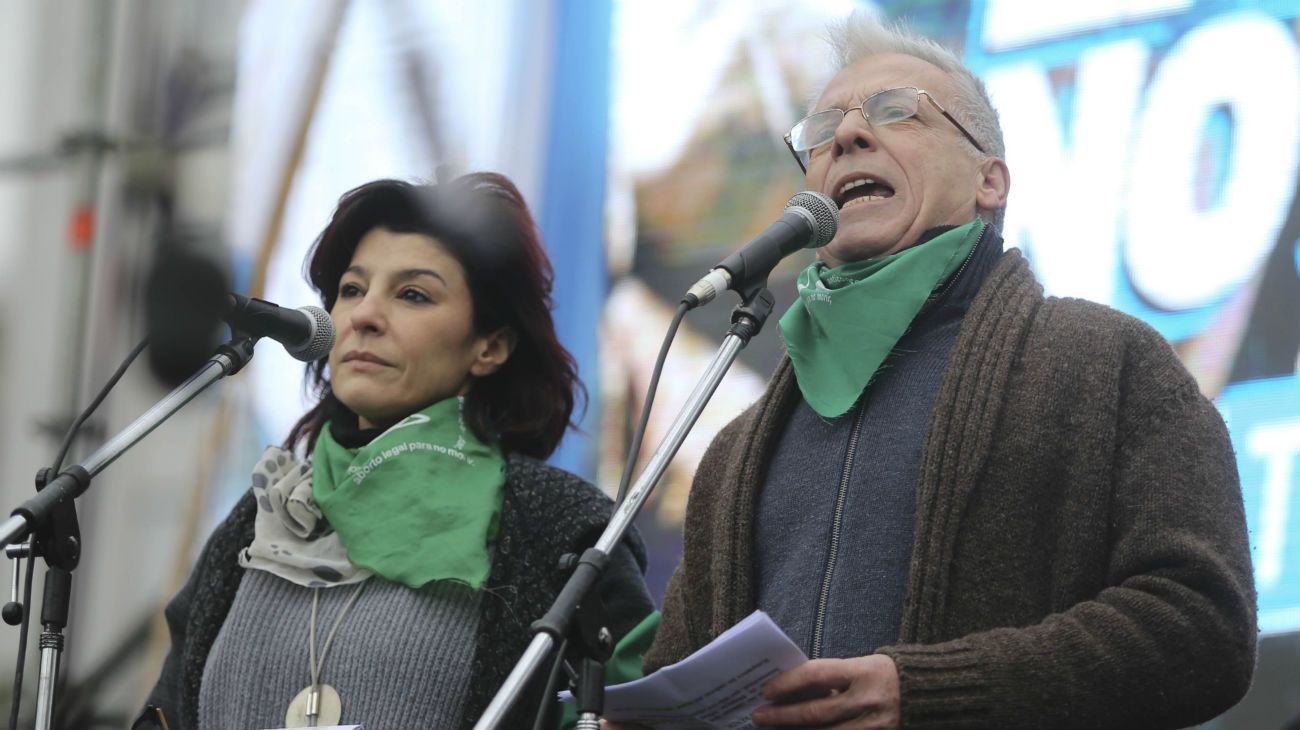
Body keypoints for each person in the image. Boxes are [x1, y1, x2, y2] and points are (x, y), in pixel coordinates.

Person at [627, 12, 1256, 730]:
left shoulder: (1108, 362)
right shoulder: (737, 450)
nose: (849, 136)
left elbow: (1205, 626)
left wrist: (932, 694)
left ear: (990, 181)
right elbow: (681, 687)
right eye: (822, 129)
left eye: (898, 112)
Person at [146, 173, 655, 730]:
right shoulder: (258, 518)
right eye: (351, 290)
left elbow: (650, 704)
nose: (364, 316)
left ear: (490, 346)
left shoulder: (560, 528)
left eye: (413, 294)